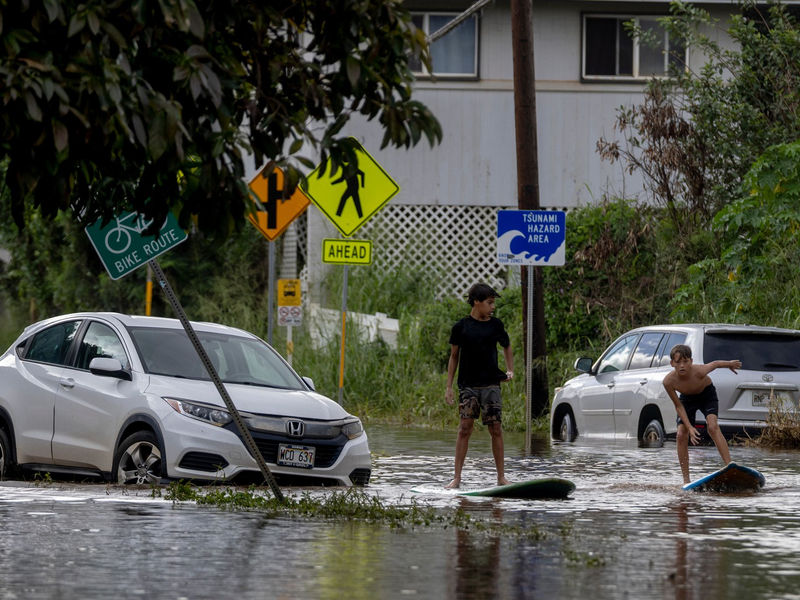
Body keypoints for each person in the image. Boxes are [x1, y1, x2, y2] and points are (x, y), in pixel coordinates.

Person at [445, 283, 514, 489]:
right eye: (489, 302)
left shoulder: (496, 325)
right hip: (468, 385)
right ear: (476, 302)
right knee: (465, 428)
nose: (492, 307)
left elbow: (506, 345)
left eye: (493, 303)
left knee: (496, 428)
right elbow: (454, 357)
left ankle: (501, 477)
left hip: (491, 384)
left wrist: (510, 370)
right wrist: (449, 386)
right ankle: (456, 478)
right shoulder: (461, 327)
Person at [662, 344, 742, 484]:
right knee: (681, 435)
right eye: (678, 362)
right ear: (672, 363)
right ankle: (686, 480)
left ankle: (730, 466)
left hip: (706, 395)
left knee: (712, 427)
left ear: (691, 362)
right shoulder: (668, 381)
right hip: (686, 400)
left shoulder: (699, 371)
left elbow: (716, 364)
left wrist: (730, 364)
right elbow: (678, 406)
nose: (682, 366)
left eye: (685, 362)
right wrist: (688, 427)